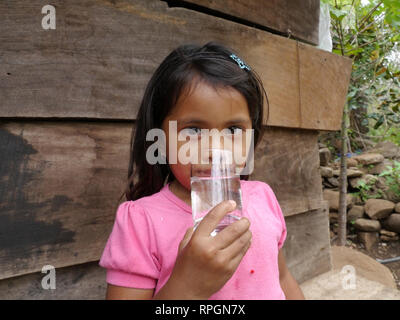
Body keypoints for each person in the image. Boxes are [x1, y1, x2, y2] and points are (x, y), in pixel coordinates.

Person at [99, 42, 305, 300]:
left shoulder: (263, 197)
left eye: (233, 130)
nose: (216, 149)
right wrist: (187, 286)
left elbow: (283, 278)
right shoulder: (140, 223)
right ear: (159, 138)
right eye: (194, 130)